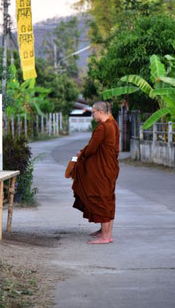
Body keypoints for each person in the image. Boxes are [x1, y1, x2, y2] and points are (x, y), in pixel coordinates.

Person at [72, 101, 120, 244]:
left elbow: (92, 148)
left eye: (93, 112)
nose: (92, 115)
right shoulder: (114, 124)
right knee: (107, 198)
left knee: (101, 199)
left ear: (100, 111)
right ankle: (105, 232)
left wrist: (82, 154)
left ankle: (106, 236)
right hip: (110, 168)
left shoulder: (103, 128)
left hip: (102, 169)